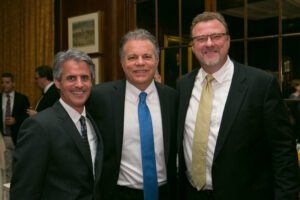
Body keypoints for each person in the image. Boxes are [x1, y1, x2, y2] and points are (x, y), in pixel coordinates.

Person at [177, 11, 299, 200]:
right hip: (192, 194)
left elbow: (282, 149)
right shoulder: (183, 84)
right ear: (193, 46)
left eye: (216, 36)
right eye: (201, 38)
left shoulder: (260, 84)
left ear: (227, 40)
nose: (209, 43)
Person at [87, 29, 178, 200]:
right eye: (132, 57)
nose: (140, 63)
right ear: (122, 62)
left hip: (166, 193)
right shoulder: (100, 97)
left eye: (147, 56)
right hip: (119, 194)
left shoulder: (172, 98)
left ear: (157, 61)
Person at [10, 49, 103, 199]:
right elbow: (24, 191)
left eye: (85, 78)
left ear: (92, 81)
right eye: (71, 78)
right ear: (58, 82)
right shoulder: (39, 126)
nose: (79, 85)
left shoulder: (94, 121)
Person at [0, 72, 29, 183]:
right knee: (6, 168)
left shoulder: (22, 98)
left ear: (13, 83)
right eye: (2, 82)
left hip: (18, 138)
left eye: (7, 82)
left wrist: (16, 120)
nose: (4, 85)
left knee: (19, 166)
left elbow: (28, 118)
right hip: (3, 138)